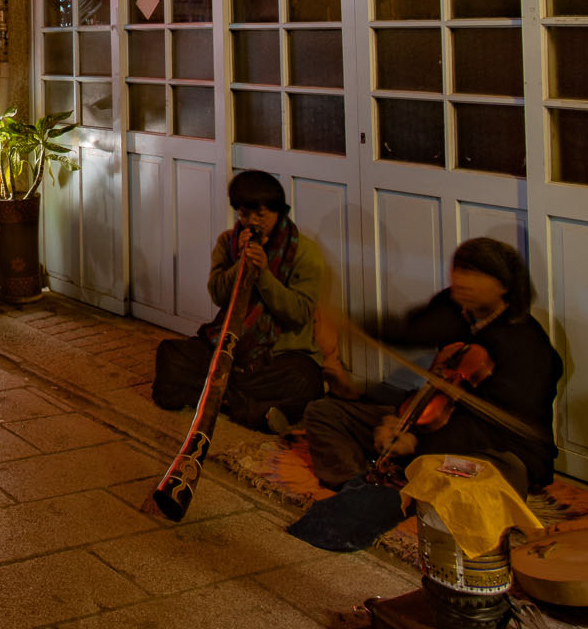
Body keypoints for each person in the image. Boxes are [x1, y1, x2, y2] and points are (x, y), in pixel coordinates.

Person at [302, 236, 561, 495]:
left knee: (476, 476)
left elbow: (485, 428)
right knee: (323, 412)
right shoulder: (454, 306)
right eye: (458, 269)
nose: (460, 280)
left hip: (499, 446)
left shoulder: (527, 346)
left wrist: (417, 441)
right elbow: (410, 332)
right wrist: (354, 324)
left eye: (475, 274)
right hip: (437, 426)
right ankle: (357, 488)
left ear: (503, 286)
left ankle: (405, 478)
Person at [151, 170, 327, 433]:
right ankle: (248, 408)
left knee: (303, 382)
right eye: (244, 215)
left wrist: (263, 274)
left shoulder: (304, 251)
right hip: (230, 346)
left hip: (279, 354)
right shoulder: (227, 242)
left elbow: (298, 314)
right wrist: (241, 264)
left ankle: (218, 396)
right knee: (171, 357)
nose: (252, 222)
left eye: (260, 215)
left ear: (278, 212)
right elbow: (218, 294)